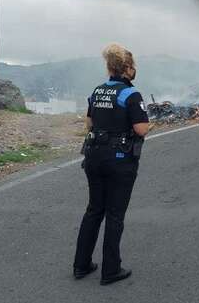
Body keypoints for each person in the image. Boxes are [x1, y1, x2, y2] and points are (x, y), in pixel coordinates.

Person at [74, 43, 150, 285]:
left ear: (109, 67)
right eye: (133, 66)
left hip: (94, 157)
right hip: (119, 161)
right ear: (127, 68)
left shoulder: (97, 91)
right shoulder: (131, 94)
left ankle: (81, 265)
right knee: (115, 214)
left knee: (94, 210)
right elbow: (141, 128)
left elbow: (88, 124)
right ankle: (111, 270)